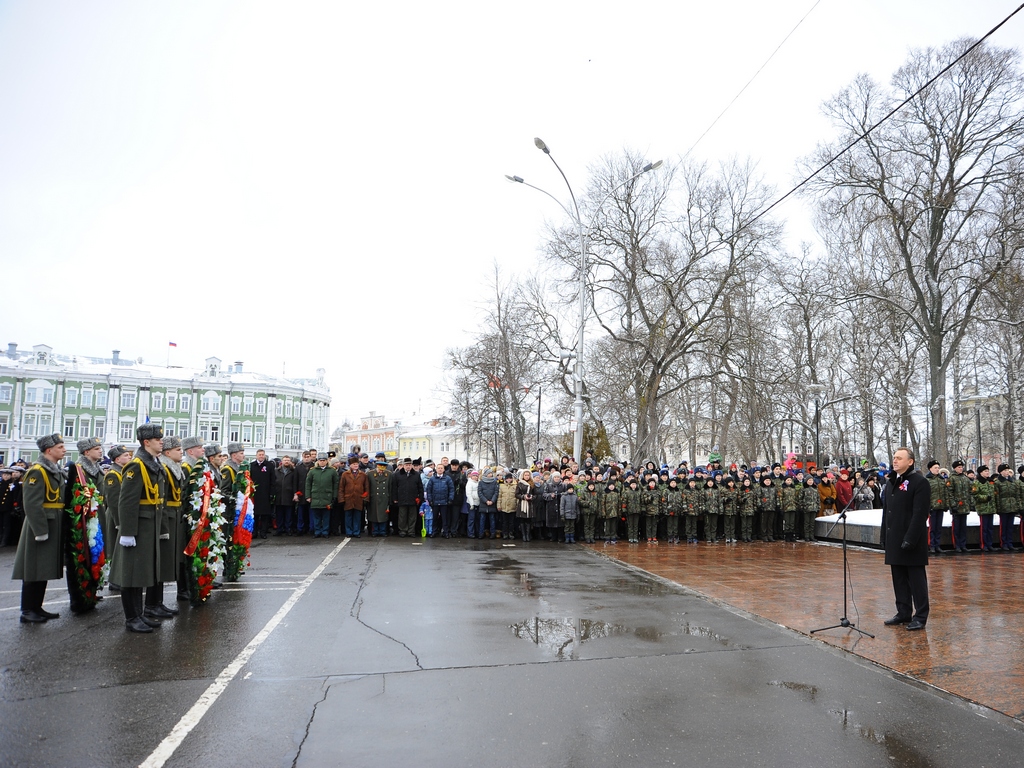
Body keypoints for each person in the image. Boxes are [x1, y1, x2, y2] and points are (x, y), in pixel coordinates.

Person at [114, 424, 168, 633]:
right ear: (146, 442)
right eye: (157, 438)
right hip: (138, 526)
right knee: (131, 572)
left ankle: (140, 614)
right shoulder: (136, 465)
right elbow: (127, 502)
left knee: (141, 572)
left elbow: (159, 500)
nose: (161, 441)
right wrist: (127, 532)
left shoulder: (153, 463)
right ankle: (132, 618)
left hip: (150, 525)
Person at [12, 434, 68, 623]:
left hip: (52, 522)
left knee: (42, 567)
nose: (64, 450)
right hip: (40, 526)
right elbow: (32, 504)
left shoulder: (53, 470)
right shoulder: (37, 471)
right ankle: (27, 610)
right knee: (33, 568)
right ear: (48, 450)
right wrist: (40, 530)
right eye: (60, 447)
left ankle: (37, 606)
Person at [881, 447, 930, 631]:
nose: (895, 461)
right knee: (899, 578)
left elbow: (920, 514)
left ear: (910, 462)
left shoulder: (919, 482)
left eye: (899, 458)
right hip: (894, 539)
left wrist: (910, 538)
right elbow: (887, 512)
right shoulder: (892, 481)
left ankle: (921, 615)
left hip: (912, 540)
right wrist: (884, 536)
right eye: (894, 457)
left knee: (916, 581)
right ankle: (903, 612)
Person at [147, 435, 184, 620]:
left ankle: (157, 602)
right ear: (168, 453)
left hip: (173, 516)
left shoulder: (173, 468)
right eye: (178, 450)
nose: (181, 452)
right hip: (165, 517)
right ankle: (152, 604)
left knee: (166, 561)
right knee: (160, 562)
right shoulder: (164, 468)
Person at [305, 454, 338, 539]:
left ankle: (325, 532)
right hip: (315, 496)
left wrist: (334, 496)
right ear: (318, 461)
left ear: (327, 461)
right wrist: (308, 496)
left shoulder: (332, 471)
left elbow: (335, 484)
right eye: (320, 460)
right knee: (316, 516)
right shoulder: (313, 471)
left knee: (326, 516)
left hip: (327, 496)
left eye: (324, 460)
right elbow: (308, 484)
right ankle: (317, 531)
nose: (322, 462)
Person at [391, 458, 423, 538]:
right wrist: (395, 498)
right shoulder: (397, 475)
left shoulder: (416, 475)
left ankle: (411, 531)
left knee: (412, 516)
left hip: (413, 499)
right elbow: (394, 487)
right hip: (402, 499)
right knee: (402, 516)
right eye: (406, 465)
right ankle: (402, 531)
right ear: (403, 465)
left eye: (409, 465)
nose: (408, 467)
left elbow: (420, 487)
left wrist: (420, 498)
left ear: (411, 465)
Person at [249, 449, 277, 539]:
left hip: (266, 493)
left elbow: (273, 480)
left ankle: (263, 532)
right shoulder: (252, 466)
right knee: (255, 514)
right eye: (259, 454)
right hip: (255, 494)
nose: (261, 456)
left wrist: (272, 493)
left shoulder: (269, 466)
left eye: (263, 455)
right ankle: (254, 532)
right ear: (256, 455)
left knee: (265, 515)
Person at [338, 457, 369, 538]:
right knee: (348, 516)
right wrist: (341, 498)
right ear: (350, 465)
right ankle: (349, 532)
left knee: (357, 517)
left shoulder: (363, 475)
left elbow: (366, 488)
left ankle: (356, 531)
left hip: (359, 498)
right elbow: (341, 487)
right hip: (348, 498)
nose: (356, 465)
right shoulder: (345, 474)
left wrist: (365, 498)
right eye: (354, 464)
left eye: (357, 464)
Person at [426, 462, 455, 538]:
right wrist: (430, 500)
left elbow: (451, 489)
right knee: (434, 518)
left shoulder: (447, 478)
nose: (440, 469)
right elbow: (429, 490)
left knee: (445, 519)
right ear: (436, 469)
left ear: (444, 469)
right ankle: (434, 532)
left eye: (441, 468)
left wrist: (450, 499)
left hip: (444, 502)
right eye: (438, 468)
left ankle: (446, 532)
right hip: (435, 502)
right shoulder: (432, 479)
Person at [971, 465, 996, 552]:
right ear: (981, 473)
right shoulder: (977, 483)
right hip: (983, 508)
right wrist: (985, 498)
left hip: (991, 508)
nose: (987, 472)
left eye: (988, 471)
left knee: (990, 528)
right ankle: (983, 544)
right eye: (985, 471)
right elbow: (975, 495)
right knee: (984, 528)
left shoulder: (990, 482)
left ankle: (989, 544)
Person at [366, 458, 391, 537]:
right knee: (374, 515)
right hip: (374, 498)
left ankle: (383, 531)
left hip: (384, 498)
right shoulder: (370, 474)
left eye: (382, 470)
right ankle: (375, 531)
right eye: (379, 469)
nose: (381, 471)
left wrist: (389, 498)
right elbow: (368, 487)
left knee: (383, 515)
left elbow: (390, 487)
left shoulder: (389, 474)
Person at [274, 455, 299, 536]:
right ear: (282, 461)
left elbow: (295, 483)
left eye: (288, 460)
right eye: (285, 460)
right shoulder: (277, 471)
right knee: (279, 514)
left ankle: (288, 529)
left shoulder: (293, 471)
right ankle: (279, 529)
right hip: (279, 495)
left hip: (289, 495)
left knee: (289, 515)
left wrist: (295, 494)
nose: (286, 461)